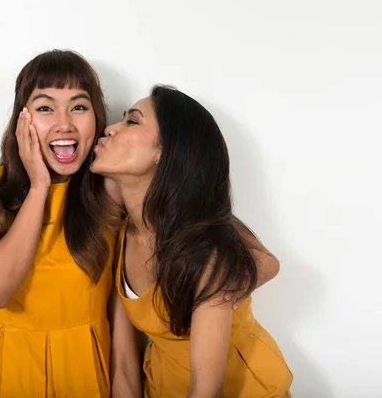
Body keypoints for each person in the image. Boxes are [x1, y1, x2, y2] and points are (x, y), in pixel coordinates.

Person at [92, 85, 293, 397]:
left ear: (165, 152)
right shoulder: (121, 237)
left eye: (132, 121)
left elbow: (205, 390)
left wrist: (223, 287)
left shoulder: (205, 253)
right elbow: (123, 361)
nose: (110, 128)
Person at [0, 49, 122, 397]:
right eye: (45, 107)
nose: (65, 123)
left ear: (97, 117)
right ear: (22, 119)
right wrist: (39, 185)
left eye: (79, 106)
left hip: (84, 374)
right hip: (2, 373)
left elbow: (121, 320)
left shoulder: (111, 193)